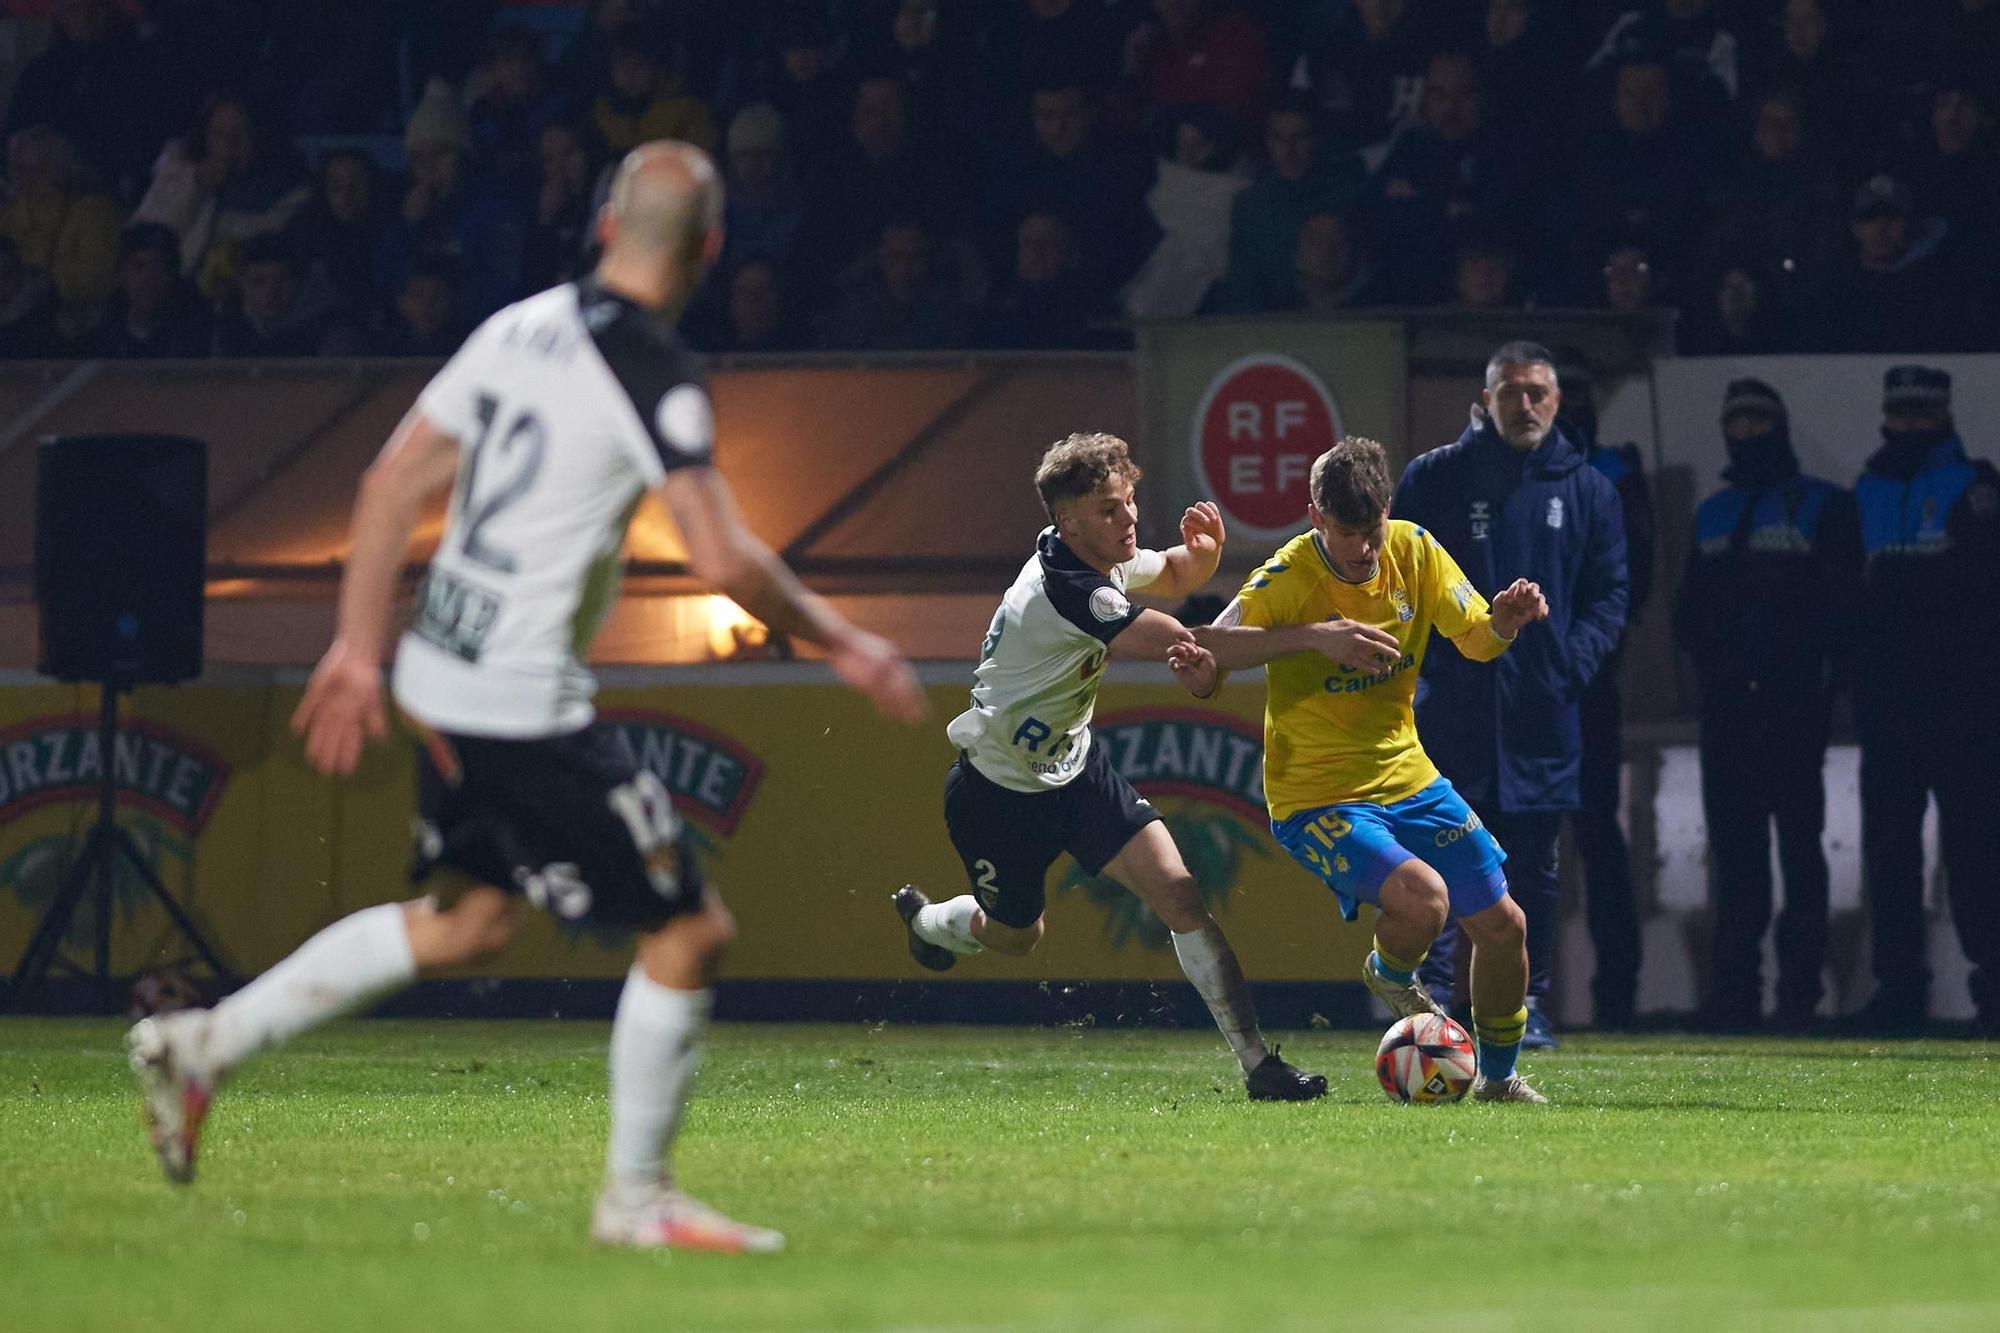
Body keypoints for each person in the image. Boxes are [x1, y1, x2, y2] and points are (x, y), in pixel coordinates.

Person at [127, 142, 928, 1254]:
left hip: (438, 673)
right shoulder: (652, 368)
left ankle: (203, 1044)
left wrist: (357, 650)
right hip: (517, 703)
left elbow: (388, 482)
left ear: (602, 225)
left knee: (468, 921)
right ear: (712, 248)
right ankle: (634, 1200)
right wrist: (842, 638)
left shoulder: (516, 323)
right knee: (690, 931)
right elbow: (721, 555)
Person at [892, 433, 1326, 1103]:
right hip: (996, 793)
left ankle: (1258, 1064)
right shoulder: (1066, 588)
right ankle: (929, 924)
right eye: (1108, 509)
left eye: (1129, 502)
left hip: (1077, 770)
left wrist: (1203, 555)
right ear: (1067, 521)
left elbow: (1174, 574)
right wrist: (1307, 638)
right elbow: (1177, 638)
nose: (1128, 521)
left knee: (1181, 894)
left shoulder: (1097, 554)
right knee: (1017, 937)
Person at [1184, 437, 1552, 1102]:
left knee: (1506, 927)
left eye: (1372, 528)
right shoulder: (1290, 575)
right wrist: (1312, 636)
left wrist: (1503, 620)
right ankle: (1389, 971)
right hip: (1316, 797)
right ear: (1315, 517)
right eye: (1348, 532)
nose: (1364, 548)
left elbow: (1475, 639)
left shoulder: (1413, 548)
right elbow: (1208, 650)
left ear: (1387, 511)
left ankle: (1498, 1080)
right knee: (1426, 899)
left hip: (1408, 776)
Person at [1390, 341, 1629, 1049]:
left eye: (1537, 393)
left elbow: (1611, 594)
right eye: (1510, 392)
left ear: (1556, 401)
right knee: (1437, 857)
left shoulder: (1588, 489)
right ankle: (1428, 1004)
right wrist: (1437, 666)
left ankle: (1523, 1010)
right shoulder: (1436, 477)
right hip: (1455, 709)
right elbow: (1400, 583)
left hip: (1541, 713)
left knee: (1535, 867)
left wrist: (1567, 665)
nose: (1524, 405)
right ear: (1485, 400)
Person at [1673, 378, 1860, 1032]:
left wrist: (1812, 678)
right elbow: (1689, 612)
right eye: (1737, 424)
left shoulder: (1823, 506)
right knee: (1737, 854)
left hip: (1794, 702)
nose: (1747, 435)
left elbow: (1841, 607)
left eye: (1759, 422)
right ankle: (1736, 995)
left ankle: (1800, 995)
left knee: (1800, 853)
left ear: (1779, 427)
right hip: (1729, 709)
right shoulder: (1714, 512)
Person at [1850, 366, 2000, 1035]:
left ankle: (1991, 987)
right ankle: (1899, 990)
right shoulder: (1865, 490)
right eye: (1900, 412)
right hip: (1887, 703)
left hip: (1962, 703)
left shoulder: (1976, 487)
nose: (1908, 423)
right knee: (1889, 852)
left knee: (1975, 848)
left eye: (1921, 412)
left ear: (1942, 413)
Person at [1559, 362, 1653, 1029]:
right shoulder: (1510, 476)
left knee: (1596, 831)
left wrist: (1588, 650)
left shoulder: (1615, 474)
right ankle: (1515, 994)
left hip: (1586, 682)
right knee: (1515, 837)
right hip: (1522, 685)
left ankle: (1616, 993)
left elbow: (1632, 578)